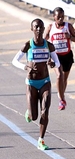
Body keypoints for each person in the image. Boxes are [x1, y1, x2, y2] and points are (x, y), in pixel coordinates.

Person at [12, 18, 61, 150]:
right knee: (34, 116)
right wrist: (25, 67)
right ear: (32, 29)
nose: (39, 29)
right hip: (31, 83)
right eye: (36, 27)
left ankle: (41, 140)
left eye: (41, 27)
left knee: (45, 111)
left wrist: (52, 64)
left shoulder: (49, 45)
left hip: (45, 82)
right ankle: (29, 112)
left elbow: (57, 63)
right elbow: (14, 61)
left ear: (44, 29)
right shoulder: (28, 45)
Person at [44, 7, 75, 111]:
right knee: (59, 75)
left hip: (67, 55)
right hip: (55, 56)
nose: (60, 19)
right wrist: (48, 56)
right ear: (54, 17)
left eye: (62, 17)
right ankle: (62, 100)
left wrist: (69, 37)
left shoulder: (68, 26)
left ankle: (61, 95)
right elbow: (44, 41)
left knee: (64, 79)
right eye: (58, 17)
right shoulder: (50, 27)